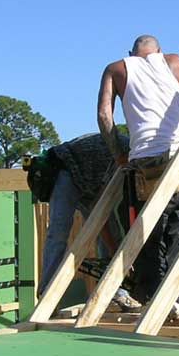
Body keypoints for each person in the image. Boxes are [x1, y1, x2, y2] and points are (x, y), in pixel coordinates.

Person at [97, 34, 179, 319]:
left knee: (148, 231)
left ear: (131, 52)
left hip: (143, 165)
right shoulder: (175, 62)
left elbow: (104, 116)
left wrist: (119, 155)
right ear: (158, 51)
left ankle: (150, 296)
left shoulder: (116, 68)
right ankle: (174, 300)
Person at [26, 132, 141, 313]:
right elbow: (99, 213)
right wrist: (114, 250)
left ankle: (116, 292)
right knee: (59, 230)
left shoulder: (133, 160)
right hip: (67, 171)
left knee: (112, 233)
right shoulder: (123, 155)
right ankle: (47, 293)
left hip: (89, 180)